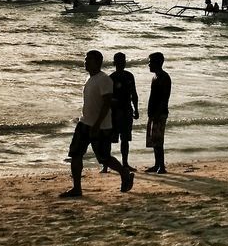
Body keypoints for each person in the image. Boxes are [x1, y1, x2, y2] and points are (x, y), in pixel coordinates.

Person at [61, 50, 133, 198]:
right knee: (75, 154)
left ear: (97, 62)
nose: (85, 62)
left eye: (88, 60)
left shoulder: (104, 79)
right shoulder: (89, 78)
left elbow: (107, 104)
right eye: (85, 59)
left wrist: (97, 124)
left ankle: (124, 173)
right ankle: (77, 188)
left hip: (100, 127)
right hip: (84, 123)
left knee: (104, 158)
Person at [105, 52, 139, 171]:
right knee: (109, 139)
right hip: (114, 112)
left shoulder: (129, 76)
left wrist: (136, 109)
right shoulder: (111, 78)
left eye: (123, 61)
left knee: (125, 139)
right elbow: (107, 98)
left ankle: (125, 163)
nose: (122, 64)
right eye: (119, 62)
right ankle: (105, 165)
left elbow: (134, 94)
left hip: (127, 111)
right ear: (114, 63)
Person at [144, 52, 171, 174]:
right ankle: (157, 164)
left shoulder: (163, 77)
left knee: (158, 140)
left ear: (158, 63)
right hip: (154, 112)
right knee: (154, 140)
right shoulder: (156, 76)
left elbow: (164, 98)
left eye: (150, 62)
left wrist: (157, 113)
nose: (149, 64)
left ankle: (161, 166)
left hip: (160, 113)